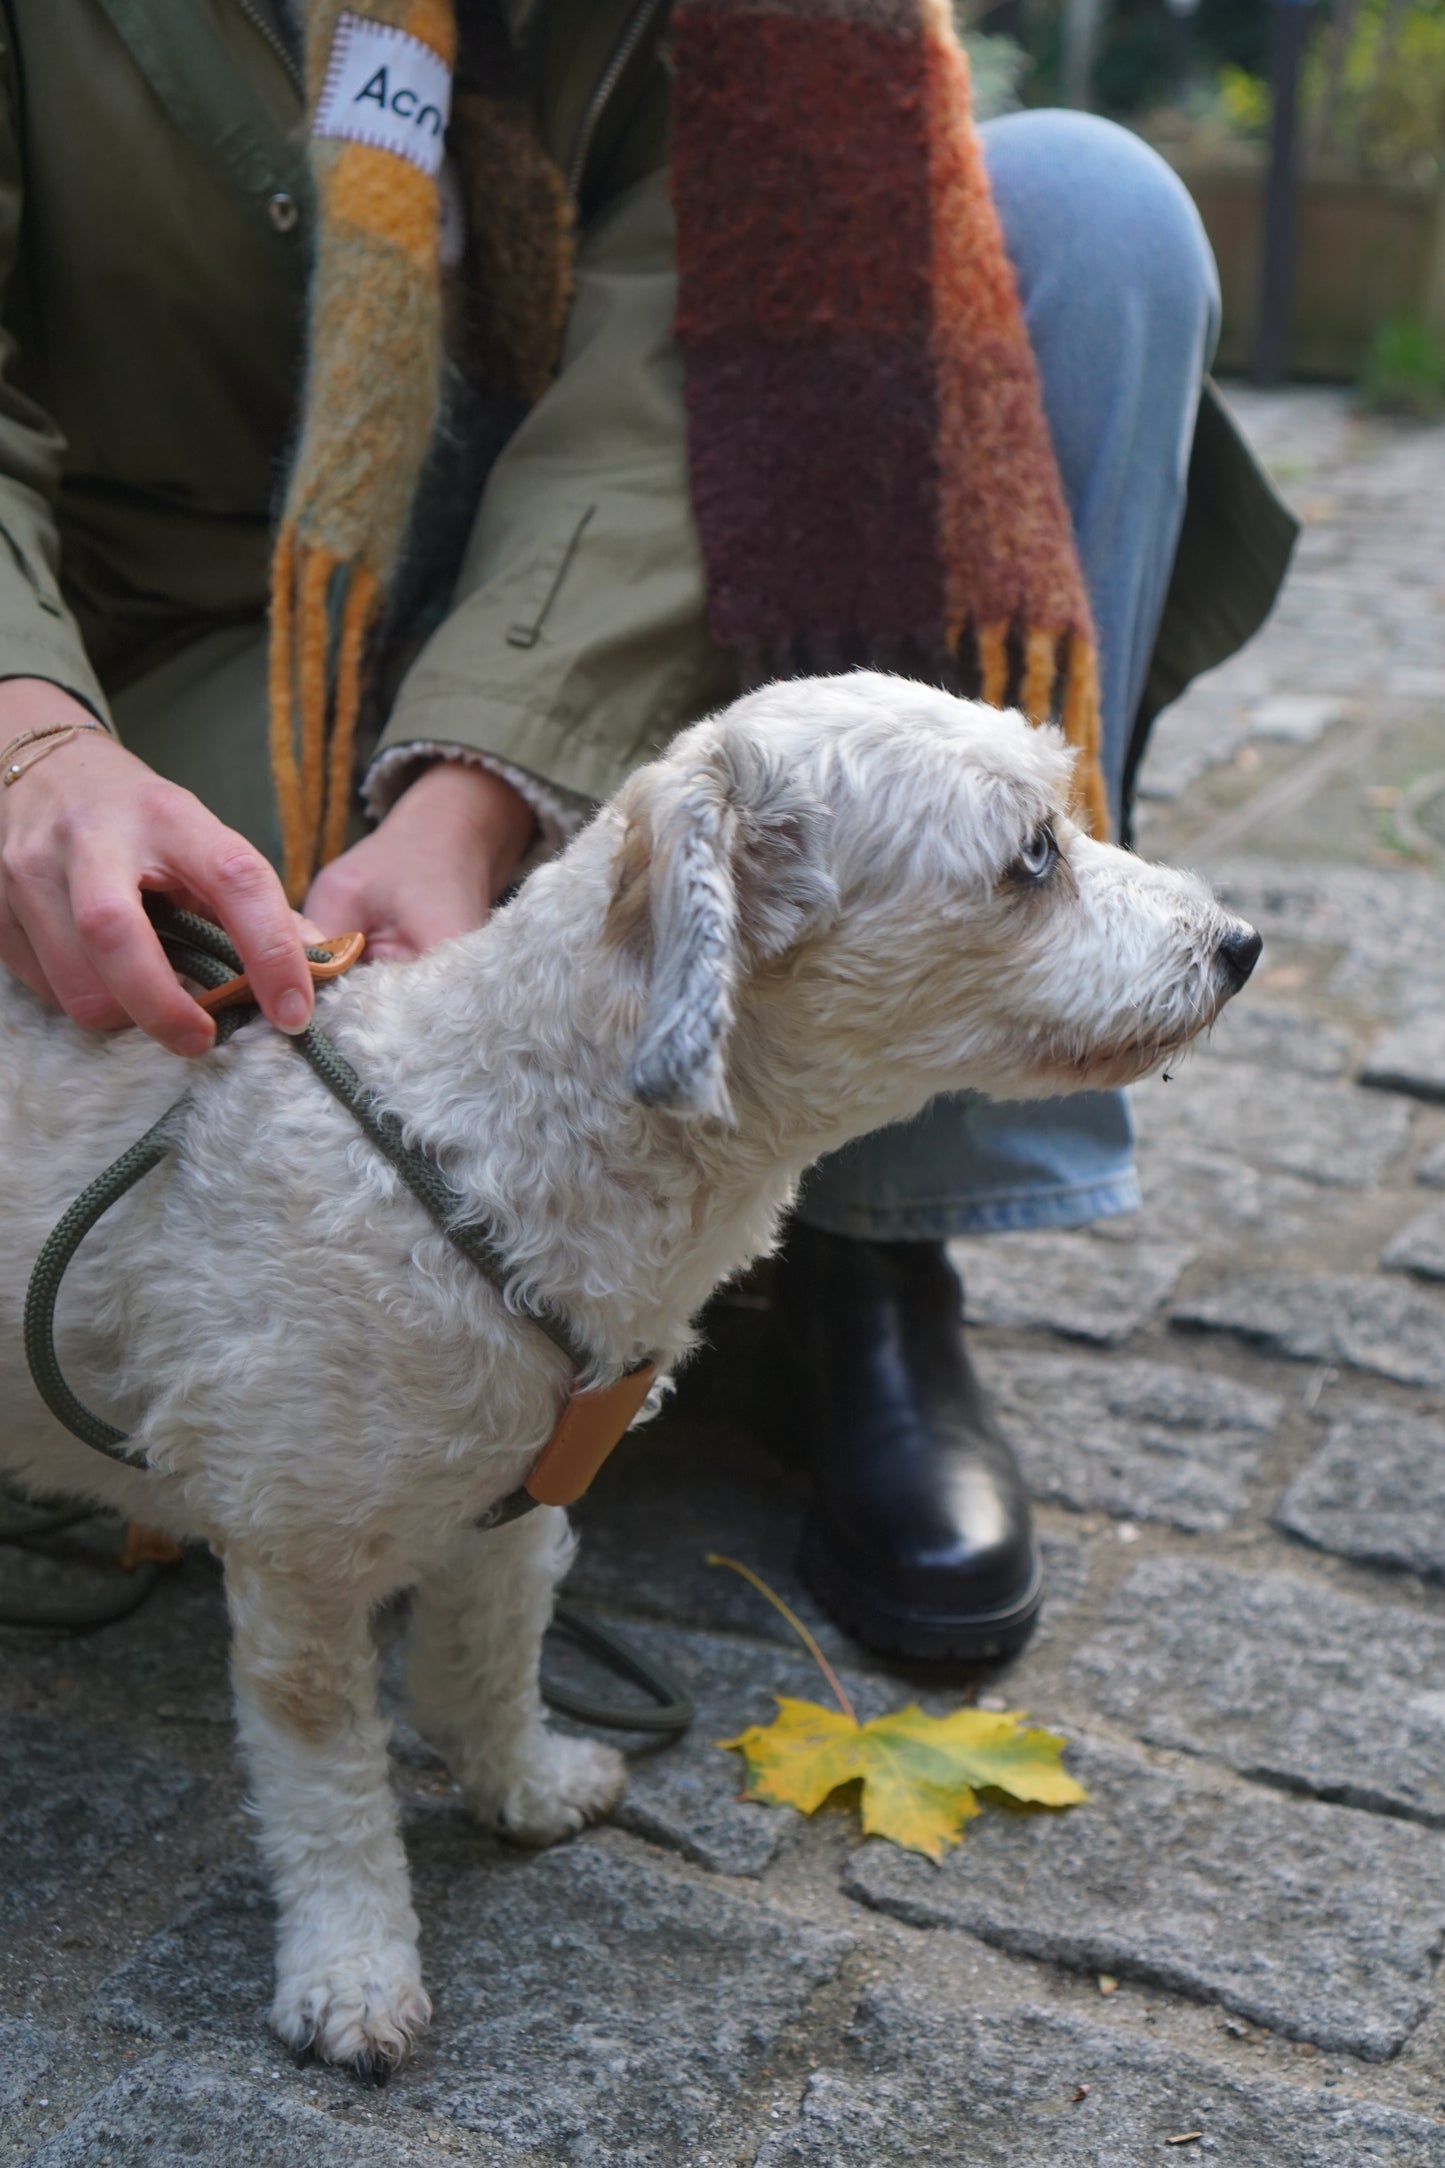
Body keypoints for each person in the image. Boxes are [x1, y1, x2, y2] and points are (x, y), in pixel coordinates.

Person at [0, 0, 1294, 1658]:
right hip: (209, 624)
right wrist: (34, 736)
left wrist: (473, 787)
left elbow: (685, 345)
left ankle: (875, 1251)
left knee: (1084, 215)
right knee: (253, 1135)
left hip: (654, 571)